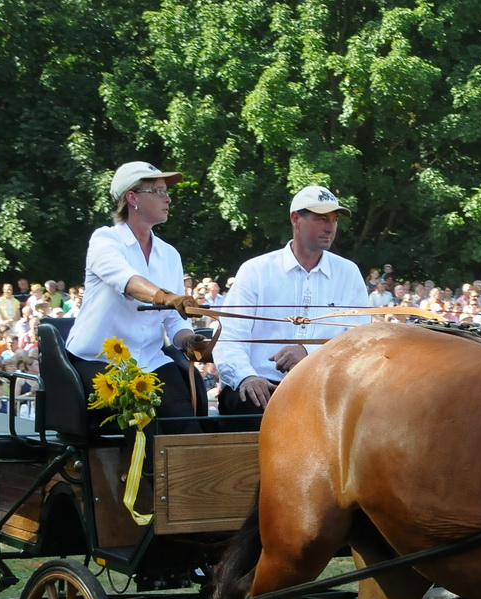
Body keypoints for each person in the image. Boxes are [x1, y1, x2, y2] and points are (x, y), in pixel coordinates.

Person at [64, 161, 208, 433]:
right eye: (159, 191)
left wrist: (188, 340)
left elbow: (173, 320)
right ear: (132, 198)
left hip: (150, 360)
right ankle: (145, 477)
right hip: (97, 361)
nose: (168, 198)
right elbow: (129, 282)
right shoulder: (105, 240)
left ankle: (191, 476)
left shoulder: (170, 254)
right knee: (143, 426)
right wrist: (167, 296)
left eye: (166, 191)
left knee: (188, 427)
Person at [214, 184, 371, 428]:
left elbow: (360, 341)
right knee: (252, 404)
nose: (330, 228)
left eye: (334, 220)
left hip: (324, 388)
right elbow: (228, 338)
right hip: (262, 386)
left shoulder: (348, 273)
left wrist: (308, 353)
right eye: (321, 219)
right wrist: (247, 376)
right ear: (296, 219)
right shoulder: (256, 270)